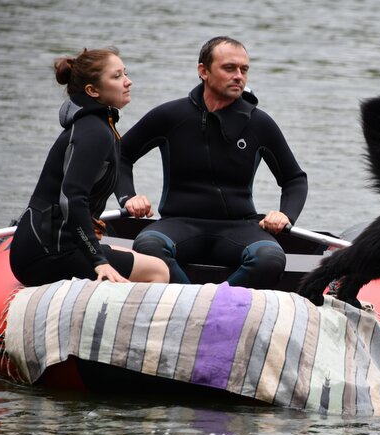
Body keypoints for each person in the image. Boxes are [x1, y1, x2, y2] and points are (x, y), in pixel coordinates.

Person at [120, 36, 308, 289]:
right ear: (203, 71)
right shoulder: (171, 116)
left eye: (244, 69)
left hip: (239, 228)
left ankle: (215, 303)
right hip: (178, 224)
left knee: (270, 258)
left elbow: (294, 179)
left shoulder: (259, 124)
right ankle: (193, 303)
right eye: (229, 68)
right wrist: (127, 197)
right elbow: (119, 156)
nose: (239, 76)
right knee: (147, 246)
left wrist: (286, 214)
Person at [10, 47, 170, 286]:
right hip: (49, 253)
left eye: (125, 73)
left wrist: (127, 197)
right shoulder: (94, 132)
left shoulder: (97, 124)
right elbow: (72, 199)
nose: (128, 82)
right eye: (117, 76)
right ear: (92, 90)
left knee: (139, 257)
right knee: (157, 271)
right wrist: (98, 260)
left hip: (48, 245)